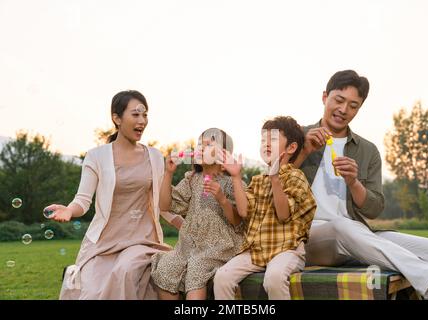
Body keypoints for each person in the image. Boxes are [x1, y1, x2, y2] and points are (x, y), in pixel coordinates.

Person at [294, 69, 428, 299]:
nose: (344, 110)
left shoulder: (367, 150)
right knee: (341, 226)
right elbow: (270, 184)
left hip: (358, 236)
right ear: (325, 97)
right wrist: (303, 152)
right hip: (308, 239)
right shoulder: (298, 137)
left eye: (353, 105)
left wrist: (354, 182)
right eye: (339, 100)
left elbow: (374, 209)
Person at [45, 90, 182, 300]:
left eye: (145, 115)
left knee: (125, 271)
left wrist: (188, 226)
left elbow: (161, 205)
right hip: (103, 243)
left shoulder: (155, 157)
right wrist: (69, 210)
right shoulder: (96, 156)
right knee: (91, 293)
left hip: (142, 241)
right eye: (135, 114)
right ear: (117, 118)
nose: (142, 121)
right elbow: (82, 200)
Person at [214, 116, 317, 300]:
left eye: (273, 139)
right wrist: (236, 177)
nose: (266, 144)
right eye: (263, 140)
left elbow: (284, 215)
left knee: (274, 278)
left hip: (287, 250)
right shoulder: (258, 181)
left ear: (291, 148)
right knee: (222, 277)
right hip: (257, 250)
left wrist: (275, 179)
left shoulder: (296, 177)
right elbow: (244, 212)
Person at [150, 128, 245, 300]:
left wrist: (222, 199)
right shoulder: (192, 179)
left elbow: (238, 221)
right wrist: (168, 173)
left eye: (208, 144)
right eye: (200, 143)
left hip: (220, 245)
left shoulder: (231, 183)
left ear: (224, 154)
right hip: (189, 246)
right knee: (166, 267)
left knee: (197, 267)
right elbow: (164, 205)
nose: (201, 147)